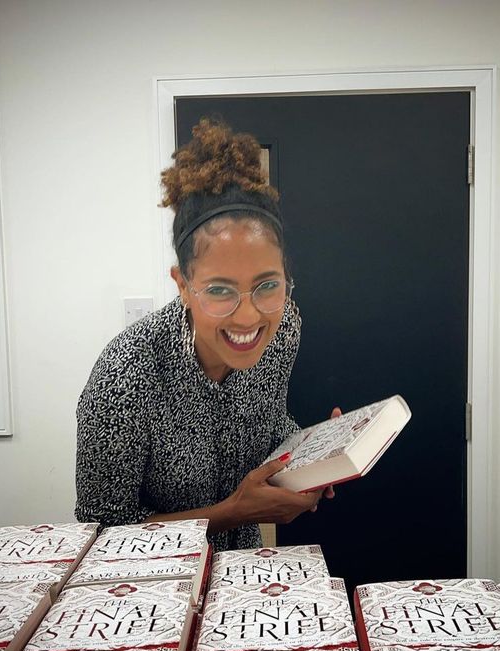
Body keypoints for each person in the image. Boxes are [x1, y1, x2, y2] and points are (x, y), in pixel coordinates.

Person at [75, 118, 336, 551]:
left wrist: (313, 455)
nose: (249, 316)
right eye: (220, 291)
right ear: (182, 284)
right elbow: (101, 535)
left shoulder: (283, 327)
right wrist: (235, 512)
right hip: (150, 590)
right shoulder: (126, 375)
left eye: (268, 284)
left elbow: (267, 426)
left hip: (242, 575)